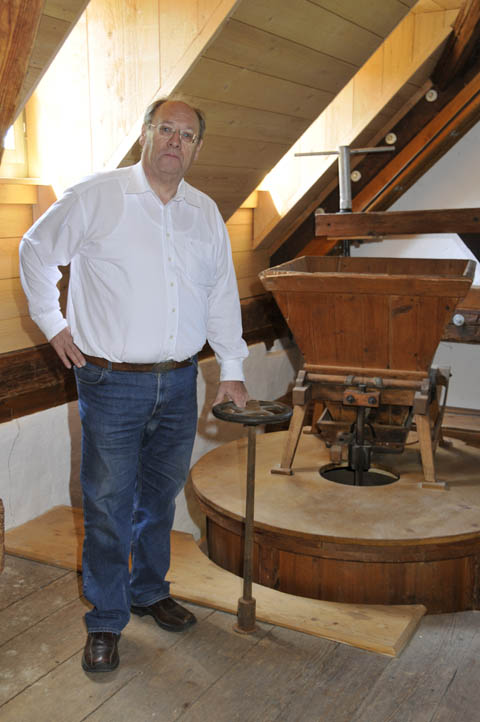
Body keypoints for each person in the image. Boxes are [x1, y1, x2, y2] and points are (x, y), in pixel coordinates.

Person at [19, 98, 249, 673]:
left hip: (179, 381)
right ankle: (106, 618)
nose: (175, 141)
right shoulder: (97, 196)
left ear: (198, 148)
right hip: (110, 382)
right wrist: (52, 324)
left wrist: (233, 369)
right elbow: (35, 251)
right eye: (165, 129)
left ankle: (148, 591)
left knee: (159, 498)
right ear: (145, 134)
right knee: (106, 506)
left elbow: (221, 294)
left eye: (187, 135)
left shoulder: (204, 212)